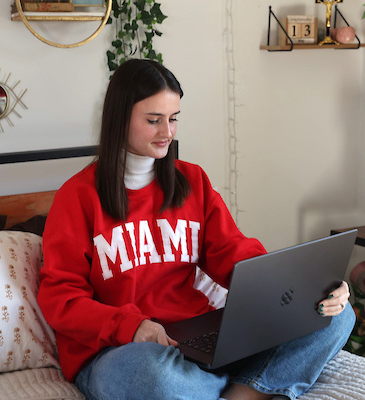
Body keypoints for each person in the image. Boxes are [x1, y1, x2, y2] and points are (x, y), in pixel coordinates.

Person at [37, 59, 355, 400]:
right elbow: (61, 298)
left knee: (335, 315)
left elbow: (234, 253)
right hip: (122, 350)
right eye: (153, 120)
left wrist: (299, 289)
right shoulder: (77, 198)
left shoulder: (192, 181)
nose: (167, 133)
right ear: (119, 118)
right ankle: (252, 385)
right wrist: (131, 327)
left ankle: (243, 392)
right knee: (156, 377)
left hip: (199, 336)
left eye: (173, 119)